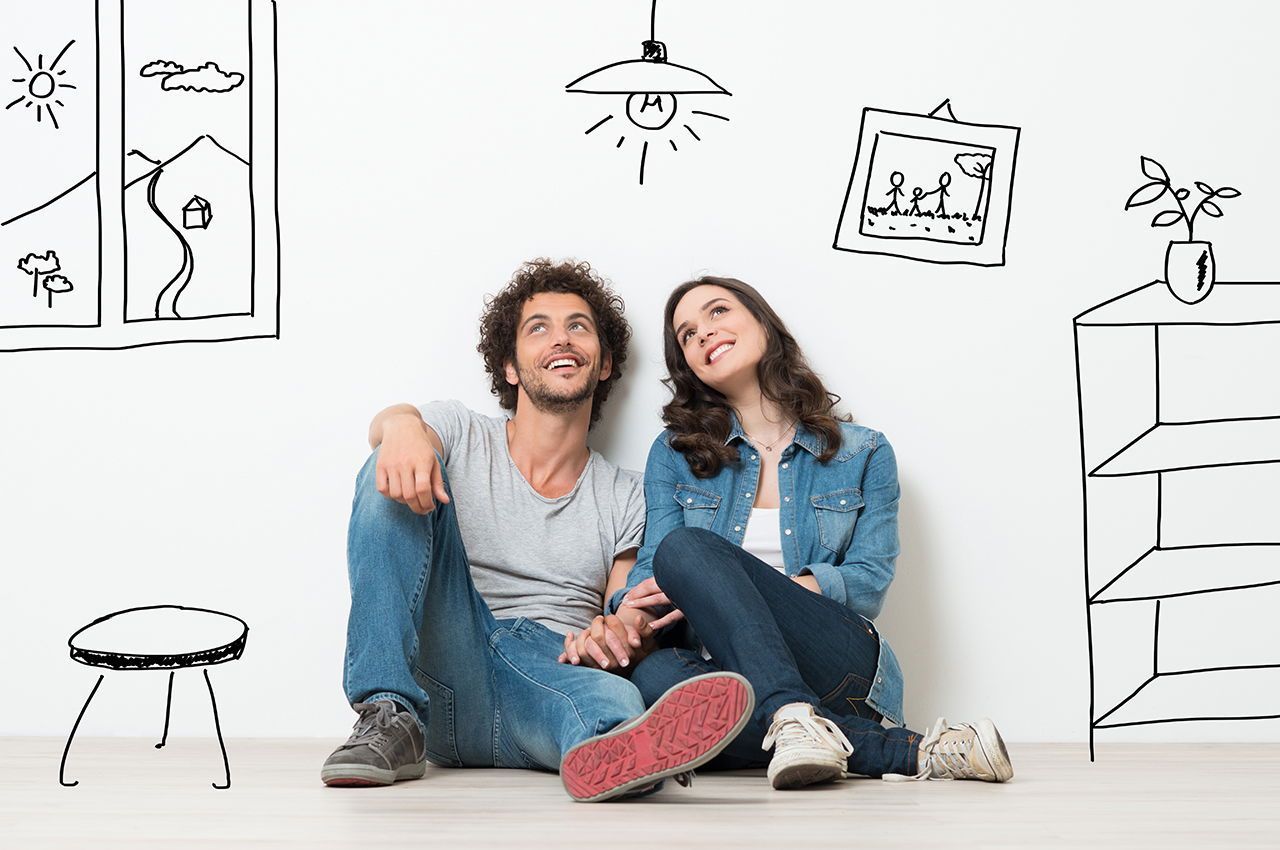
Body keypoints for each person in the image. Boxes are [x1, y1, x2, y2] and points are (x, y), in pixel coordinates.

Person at [322, 259, 753, 802]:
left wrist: (621, 632)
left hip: (550, 680)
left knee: (607, 702)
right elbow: (395, 433)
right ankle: (386, 711)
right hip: (445, 668)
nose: (561, 339)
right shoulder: (460, 431)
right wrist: (402, 425)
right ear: (509, 366)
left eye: (578, 326)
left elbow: (622, 607)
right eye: (539, 328)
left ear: (603, 365)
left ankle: (618, 748)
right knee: (392, 471)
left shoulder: (627, 493)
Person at [560, 275, 1012, 790]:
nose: (703, 333)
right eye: (686, 334)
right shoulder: (676, 455)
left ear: (763, 324)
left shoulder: (863, 452)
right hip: (722, 673)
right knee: (657, 679)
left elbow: (867, 581)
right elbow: (653, 575)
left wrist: (751, 592)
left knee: (689, 548)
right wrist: (626, 611)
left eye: (717, 312)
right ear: (687, 365)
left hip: (837, 661)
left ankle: (794, 710)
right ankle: (903, 749)